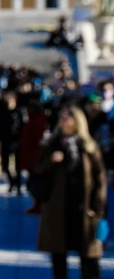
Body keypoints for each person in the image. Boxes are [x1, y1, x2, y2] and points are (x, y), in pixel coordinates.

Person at [35, 106, 106, 279]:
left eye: (68, 116)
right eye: (62, 116)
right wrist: (51, 160)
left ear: (77, 121)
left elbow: (100, 177)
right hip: (58, 208)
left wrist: (98, 205)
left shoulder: (88, 146)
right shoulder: (52, 144)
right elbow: (37, 169)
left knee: (89, 258)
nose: (63, 119)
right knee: (59, 257)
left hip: (84, 209)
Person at [0, 91, 25, 195]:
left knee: (18, 166)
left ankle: (18, 186)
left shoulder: (19, 112)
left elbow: (23, 126)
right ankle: (12, 182)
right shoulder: (2, 112)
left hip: (17, 141)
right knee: (5, 165)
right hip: (5, 141)